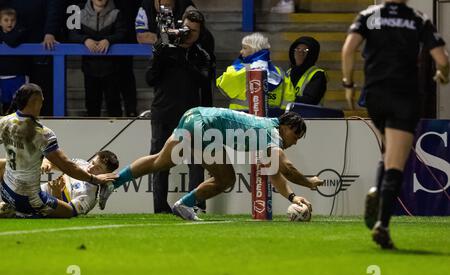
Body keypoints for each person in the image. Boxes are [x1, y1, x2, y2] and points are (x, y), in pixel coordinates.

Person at [342, 0, 449, 249]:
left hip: (376, 96)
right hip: (404, 96)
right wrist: (443, 74)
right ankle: (383, 223)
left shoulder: (368, 15)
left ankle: (377, 191)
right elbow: (442, 59)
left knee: (387, 151)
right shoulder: (418, 19)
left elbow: (348, 49)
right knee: (396, 165)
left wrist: (349, 83)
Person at [98, 107, 324, 221]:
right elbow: (288, 169)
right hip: (205, 127)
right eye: (296, 137)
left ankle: (111, 184)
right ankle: (185, 204)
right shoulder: (272, 134)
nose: (294, 143)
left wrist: (294, 197)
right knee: (226, 178)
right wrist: (308, 182)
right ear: (288, 128)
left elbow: (275, 174)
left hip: (193, 115)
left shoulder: (268, 134)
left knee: (160, 161)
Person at [0, 83, 116, 218]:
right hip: (27, 197)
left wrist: (45, 162)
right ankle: (23, 213)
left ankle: (13, 209)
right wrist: (93, 179)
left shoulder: (5, 121)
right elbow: (67, 166)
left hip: (5, 190)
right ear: (36, 102)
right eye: (42, 101)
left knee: (4, 163)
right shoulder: (42, 133)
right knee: (68, 212)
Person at [145, 9, 212, 214]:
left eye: (193, 31)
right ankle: (159, 208)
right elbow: (150, 79)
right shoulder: (164, 50)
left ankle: (195, 205)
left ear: (200, 33)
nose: (188, 33)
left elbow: (203, 81)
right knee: (160, 162)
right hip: (163, 112)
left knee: (196, 162)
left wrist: (181, 58)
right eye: (185, 29)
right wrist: (159, 55)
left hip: (192, 116)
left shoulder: (201, 55)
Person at [0, 150, 119, 218]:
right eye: (92, 162)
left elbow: (68, 213)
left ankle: (15, 211)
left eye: (97, 168)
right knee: (5, 163)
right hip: (29, 190)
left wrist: (56, 195)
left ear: (106, 175)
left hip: (40, 206)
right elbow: (53, 161)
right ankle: (12, 208)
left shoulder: (89, 197)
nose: (90, 167)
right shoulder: (81, 164)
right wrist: (47, 164)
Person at [2, 0, 66, 116]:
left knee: (42, 93)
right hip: (14, 50)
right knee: (13, 101)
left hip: (42, 45)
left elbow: (54, 7)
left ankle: (43, 127)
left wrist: (50, 32)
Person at [69, 0, 127, 117]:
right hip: (90, 69)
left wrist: (109, 40)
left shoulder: (116, 13)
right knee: (92, 107)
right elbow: (72, 34)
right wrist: (85, 39)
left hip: (112, 70)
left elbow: (123, 33)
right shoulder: (80, 13)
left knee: (114, 106)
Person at [217, 32, 295, 117]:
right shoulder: (281, 73)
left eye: (244, 48)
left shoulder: (240, 70)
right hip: (272, 121)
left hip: (242, 122)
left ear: (255, 50)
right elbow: (289, 101)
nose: (241, 51)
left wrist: (238, 62)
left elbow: (222, 85)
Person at [0, 7, 28, 115]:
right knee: (5, 105)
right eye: (6, 20)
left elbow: (12, 41)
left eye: (12, 20)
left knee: (19, 105)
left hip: (17, 76)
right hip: (2, 77)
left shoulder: (20, 32)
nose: (9, 23)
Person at [286, 36, 327, 106]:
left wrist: (283, 98)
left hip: (308, 116)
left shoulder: (317, 74)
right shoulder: (288, 73)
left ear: (312, 55)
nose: (300, 53)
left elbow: (309, 101)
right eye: (297, 49)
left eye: (305, 50)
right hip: (288, 115)